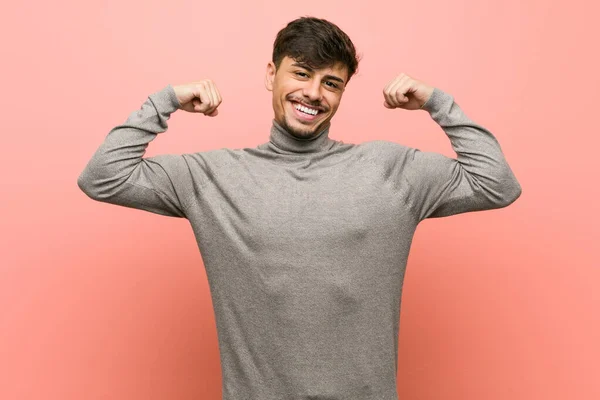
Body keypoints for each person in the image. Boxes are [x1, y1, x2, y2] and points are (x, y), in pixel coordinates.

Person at [78, 16, 521, 400]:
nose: (314, 93)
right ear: (272, 74)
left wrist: (437, 103)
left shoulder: (392, 170)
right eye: (302, 74)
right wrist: (166, 100)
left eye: (331, 83)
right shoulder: (211, 178)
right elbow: (102, 177)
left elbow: (496, 184)